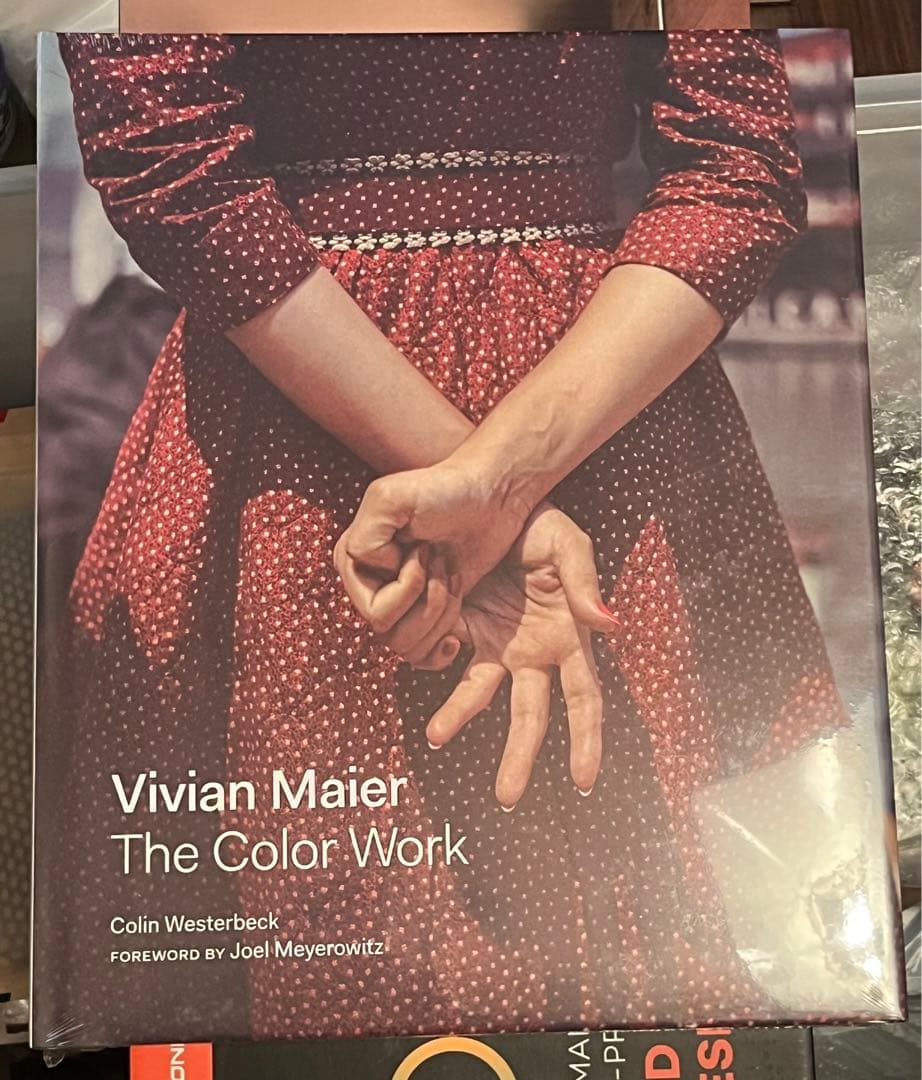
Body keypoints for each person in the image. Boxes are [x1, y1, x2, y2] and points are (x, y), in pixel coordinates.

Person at [42, 29, 846, 1042]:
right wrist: (500, 488)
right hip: (478, 407)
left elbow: (736, 169)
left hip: (394, 404)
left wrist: (492, 484)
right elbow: (170, 165)